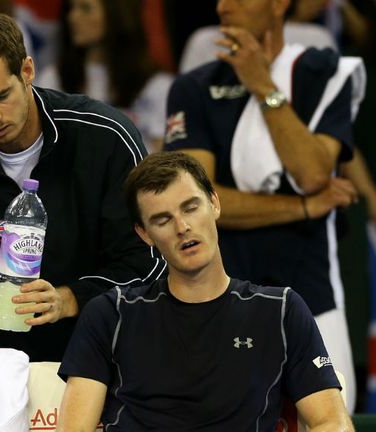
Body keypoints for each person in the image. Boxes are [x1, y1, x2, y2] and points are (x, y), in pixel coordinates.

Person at [0, 11, 165, 364]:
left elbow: (148, 261)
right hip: (4, 365)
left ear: (27, 71)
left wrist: (71, 298)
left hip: (115, 356)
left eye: (2, 96)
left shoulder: (105, 138)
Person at [57, 151, 352, 431]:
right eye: (162, 220)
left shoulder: (281, 311)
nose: (182, 227)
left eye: (191, 207)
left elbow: (334, 423)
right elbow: (73, 428)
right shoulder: (110, 315)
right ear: (144, 234)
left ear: (214, 204)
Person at [164, 0, 364, 410]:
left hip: (313, 293)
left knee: (333, 415)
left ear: (279, 4)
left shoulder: (324, 73)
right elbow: (192, 205)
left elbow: (311, 174)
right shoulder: (193, 87)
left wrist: (262, 85)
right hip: (220, 297)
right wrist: (303, 208)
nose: (223, 6)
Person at [37, 0, 173, 153]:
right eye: (71, 8)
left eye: (85, 8)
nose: (72, 17)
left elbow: (164, 159)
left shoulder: (157, 86)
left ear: (117, 15)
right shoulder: (53, 79)